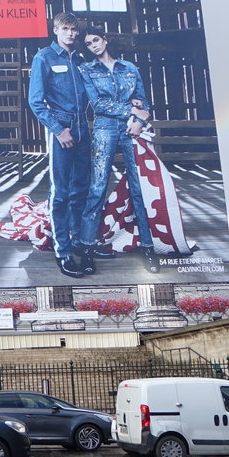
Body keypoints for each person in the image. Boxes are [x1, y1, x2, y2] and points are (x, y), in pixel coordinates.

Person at [76, 27, 159, 275]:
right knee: (98, 187)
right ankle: (87, 248)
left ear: (106, 39)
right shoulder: (86, 70)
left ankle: (147, 248)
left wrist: (140, 121)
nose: (93, 46)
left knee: (138, 187)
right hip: (104, 129)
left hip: (132, 130)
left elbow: (143, 101)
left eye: (96, 40)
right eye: (89, 44)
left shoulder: (129, 68)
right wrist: (131, 110)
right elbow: (98, 104)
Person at [27, 12, 90, 278]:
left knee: (81, 190)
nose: (72, 34)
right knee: (61, 193)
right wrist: (58, 130)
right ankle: (63, 251)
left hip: (84, 126)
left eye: (75, 30)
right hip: (62, 127)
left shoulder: (81, 58)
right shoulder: (44, 57)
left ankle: (78, 243)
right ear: (56, 30)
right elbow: (36, 101)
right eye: (66, 29)